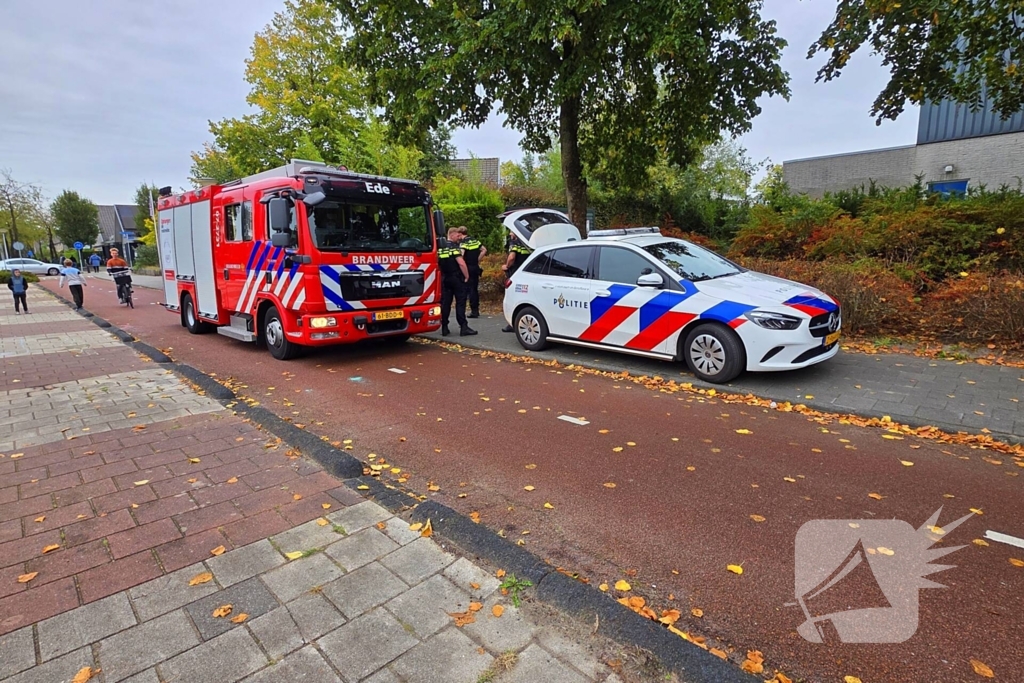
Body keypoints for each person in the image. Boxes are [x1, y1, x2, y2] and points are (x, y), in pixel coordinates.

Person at [437, 228, 477, 337]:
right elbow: (461, 263)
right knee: (460, 302)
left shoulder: (440, 248)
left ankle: (444, 327)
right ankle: (463, 327)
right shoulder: (454, 248)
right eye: (457, 236)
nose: (459, 238)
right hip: (456, 278)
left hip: (445, 279)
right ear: (452, 235)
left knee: (446, 303)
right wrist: (467, 276)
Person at [500, 233, 532, 332]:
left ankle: (512, 323)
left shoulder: (515, 242)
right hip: (529, 273)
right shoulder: (529, 242)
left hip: (516, 274)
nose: (510, 234)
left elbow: (512, 257)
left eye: (511, 232)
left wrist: (507, 266)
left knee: (514, 298)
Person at [457, 226, 486, 318]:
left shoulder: (463, 243)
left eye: (458, 235)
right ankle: (476, 310)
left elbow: (461, 255)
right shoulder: (474, 240)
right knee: (475, 289)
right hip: (475, 267)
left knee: (469, 290)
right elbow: (484, 250)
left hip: (468, 268)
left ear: (461, 234)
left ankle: (473, 311)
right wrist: (477, 260)